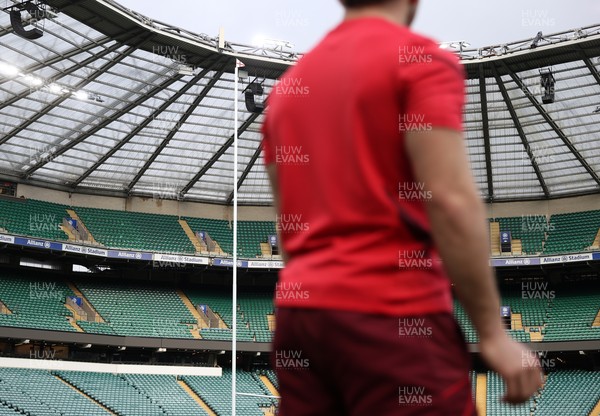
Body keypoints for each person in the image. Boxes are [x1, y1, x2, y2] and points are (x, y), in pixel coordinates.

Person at [262, 0, 543, 414]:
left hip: (300, 319)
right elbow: (447, 198)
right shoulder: (419, 62)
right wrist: (492, 334)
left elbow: (290, 229)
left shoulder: (285, 92)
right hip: (392, 312)